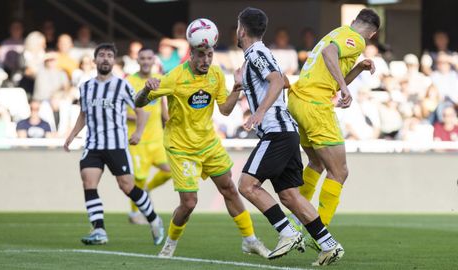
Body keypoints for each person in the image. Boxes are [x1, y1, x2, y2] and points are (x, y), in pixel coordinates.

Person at [135, 34, 269, 258]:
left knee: (229, 188)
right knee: (189, 203)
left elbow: (225, 110)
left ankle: (250, 240)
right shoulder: (175, 77)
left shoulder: (216, 73)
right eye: (201, 55)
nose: (206, 60)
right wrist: (147, 90)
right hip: (181, 147)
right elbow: (138, 102)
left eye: (209, 55)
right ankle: (170, 243)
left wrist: (236, 87)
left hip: (208, 143)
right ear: (191, 54)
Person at [235, 7, 344, 266]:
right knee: (289, 195)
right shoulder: (261, 54)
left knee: (247, 185)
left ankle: (287, 232)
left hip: (276, 132)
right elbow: (283, 80)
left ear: (241, 29)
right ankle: (329, 244)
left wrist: (259, 111)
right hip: (286, 131)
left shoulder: (256, 54)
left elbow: (275, 80)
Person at [286, 8, 380, 231]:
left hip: (298, 100)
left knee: (317, 163)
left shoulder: (337, 32)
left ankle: (294, 221)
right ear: (372, 34)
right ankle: (318, 234)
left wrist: (358, 68)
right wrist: (346, 90)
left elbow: (332, 79)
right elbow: (329, 54)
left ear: (354, 20)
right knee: (339, 172)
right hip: (315, 104)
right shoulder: (357, 40)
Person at [63, 43, 164, 246]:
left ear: (114, 61)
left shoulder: (122, 85)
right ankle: (99, 229)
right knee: (88, 182)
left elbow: (141, 110)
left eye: (110, 55)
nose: (106, 58)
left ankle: (154, 219)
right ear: (95, 61)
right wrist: (72, 135)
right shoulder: (86, 86)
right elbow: (84, 113)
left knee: (127, 187)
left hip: (117, 145)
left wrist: (138, 132)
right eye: (102, 55)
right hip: (93, 145)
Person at [126, 47, 172, 224]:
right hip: (137, 140)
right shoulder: (129, 81)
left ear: (154, 60)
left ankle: (147, 191)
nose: (145, 61)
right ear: (137, 61)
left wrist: (170, 122)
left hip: (157, 139)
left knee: (169, 172)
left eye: (149, 58)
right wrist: (139, 117)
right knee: (139, 179)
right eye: (142, 58)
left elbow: (163, 110)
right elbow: (120, 111)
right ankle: (134, 213)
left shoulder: (159, 81)